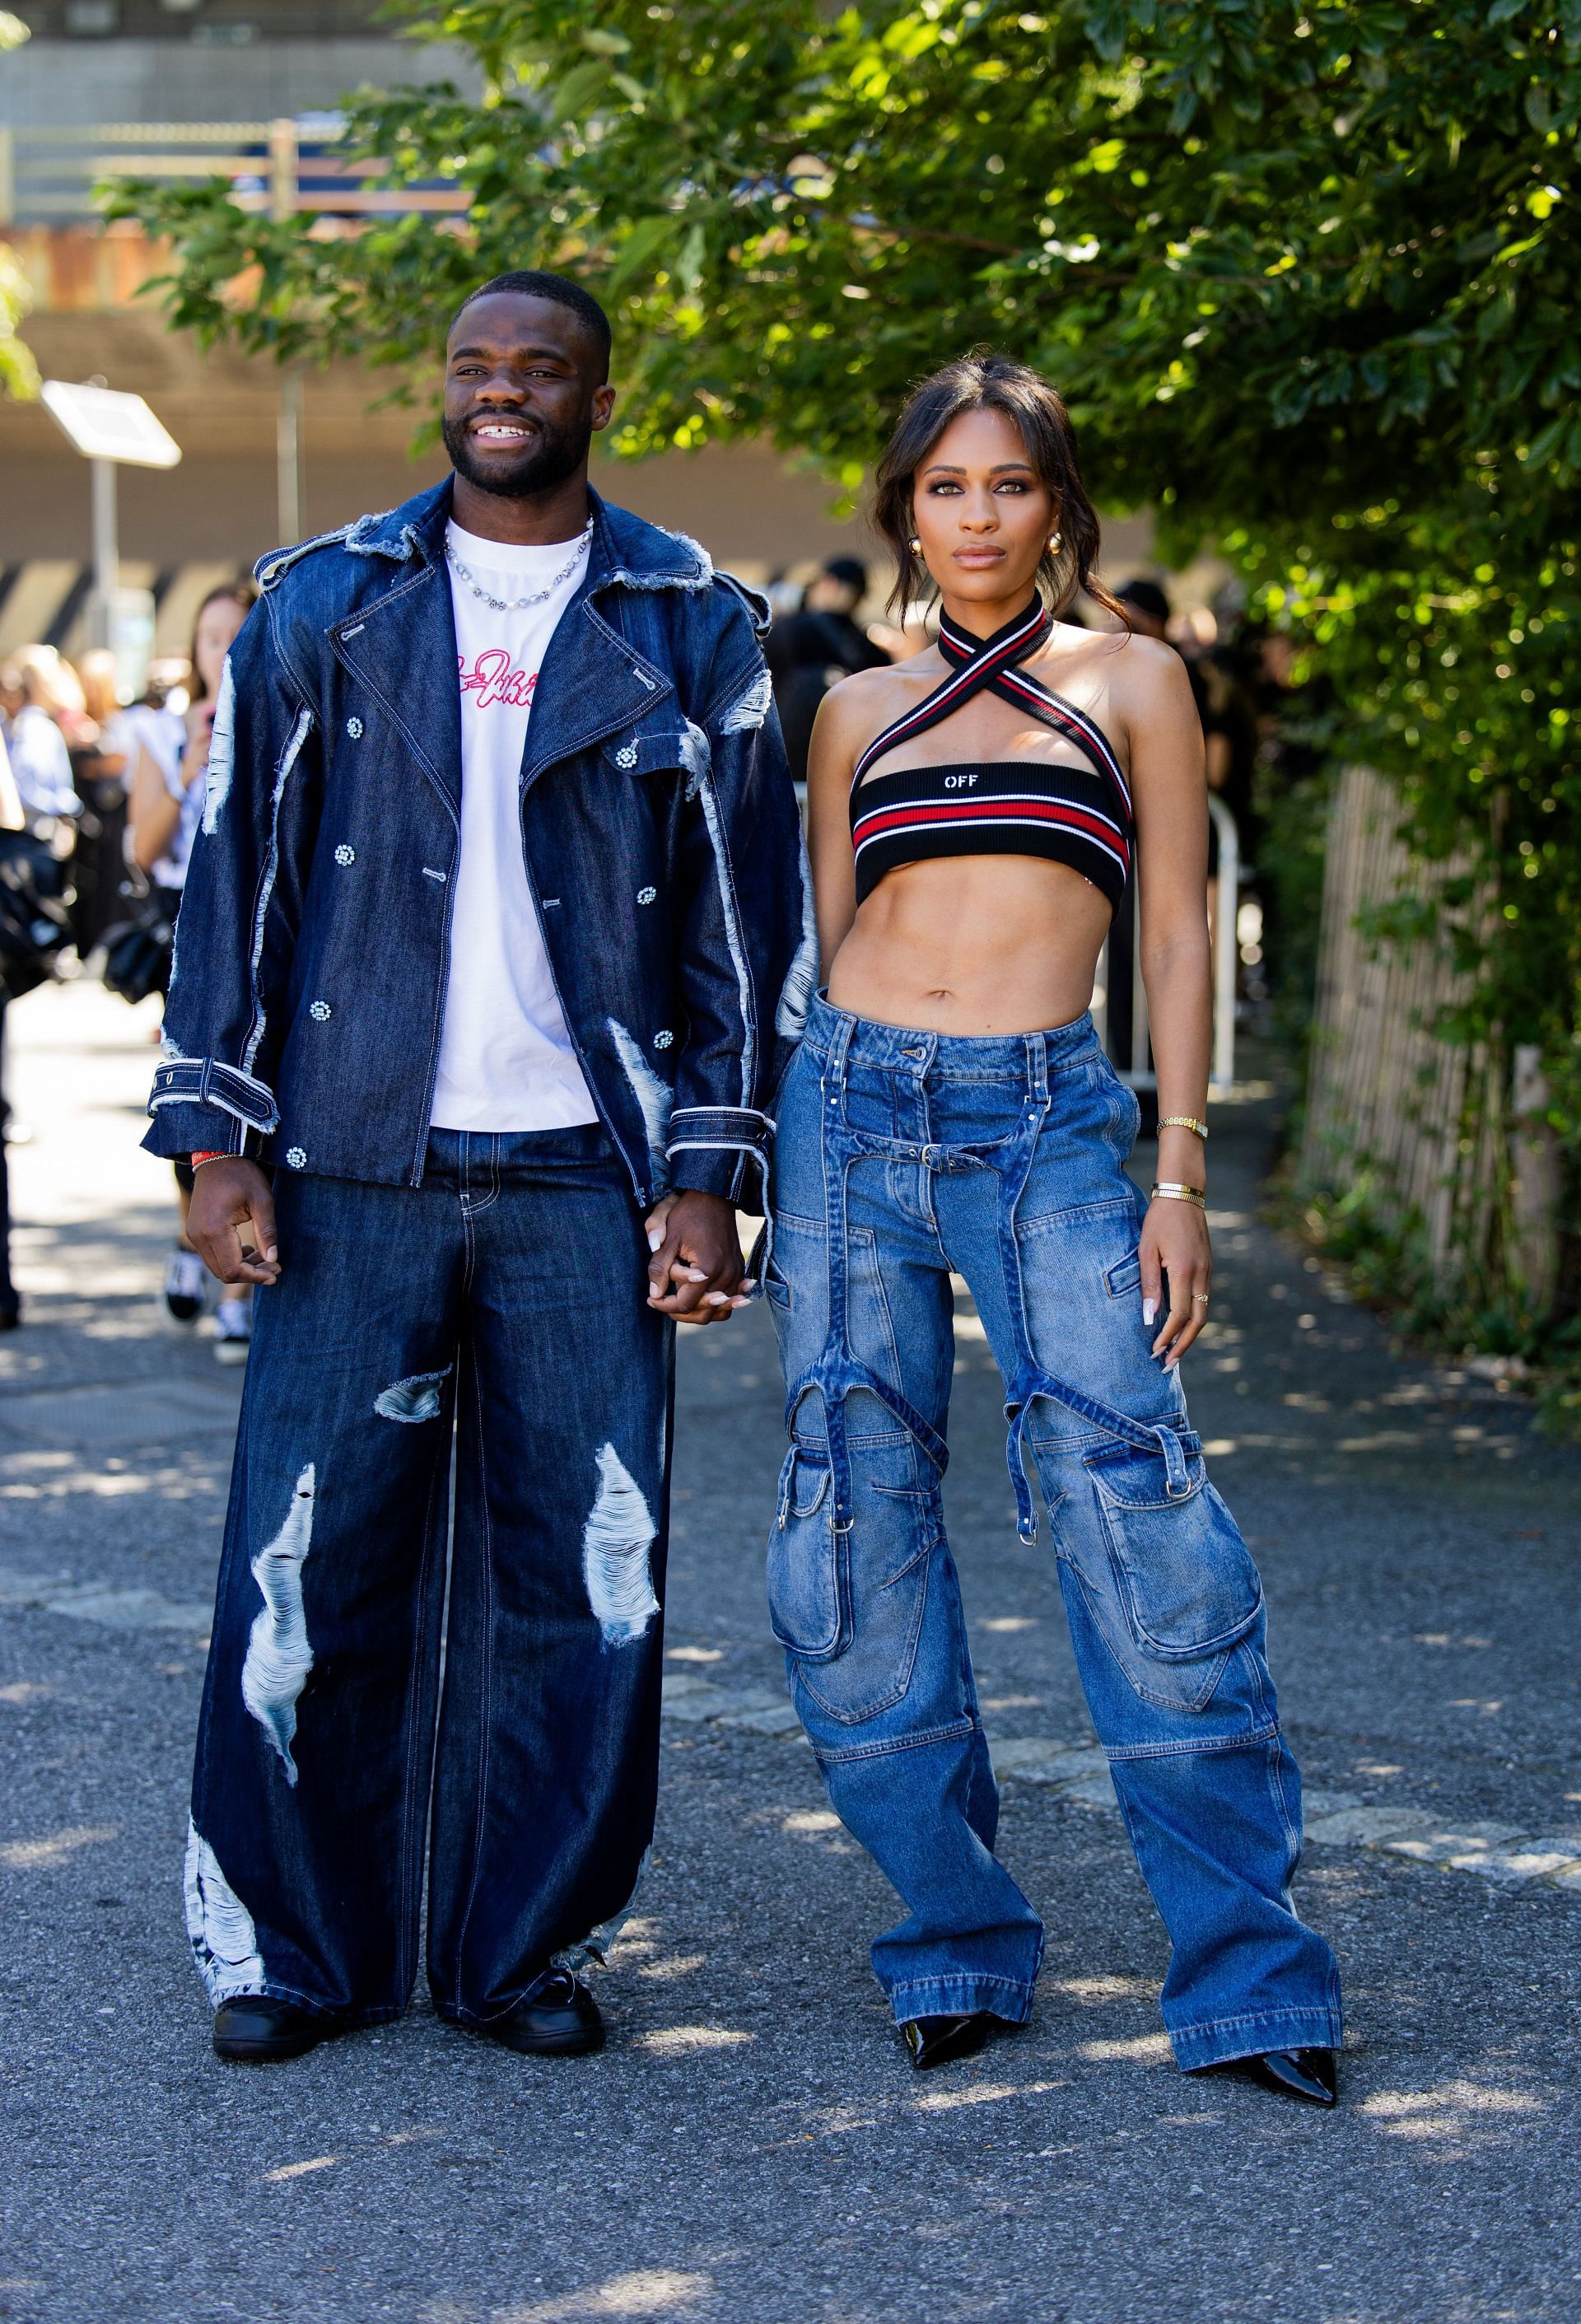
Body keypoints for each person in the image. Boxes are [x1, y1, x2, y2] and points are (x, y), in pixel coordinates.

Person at [144, 269, 804, 2065]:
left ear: (601, 395)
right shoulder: (321, 600)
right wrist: (214, 1134)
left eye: (542, 367)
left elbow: (746, 919)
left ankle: (525, 1947)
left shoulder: (688, 615)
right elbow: (233, 881)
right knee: (309, 1552)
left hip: (588, 1168)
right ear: (445, 388)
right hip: (350, 1145)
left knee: (585, 1569)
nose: (500, 389)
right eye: (474, 364)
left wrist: (708, 1168)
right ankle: (297, 1947)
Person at [769, 357, 1342, 2106]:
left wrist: (1178, 1170)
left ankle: (1250, 1978)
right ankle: (953, 1938)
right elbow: (828, 932)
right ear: (904, 511)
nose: (976, 517)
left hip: (1052, 1128)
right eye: (945, 488)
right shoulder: (857, 710)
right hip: (850, 1115)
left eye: (1007, 483)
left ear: (1056, 501)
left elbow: (1176, 938)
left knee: (1137, 1517)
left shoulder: (1134, 681)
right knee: (849, 1536)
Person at [125, 586, 255, 1349]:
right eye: (209, 637)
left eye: (235, 635)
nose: (221, 650)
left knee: (250, 1110)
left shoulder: (284, 722)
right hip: (185, 923)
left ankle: (235, 1285)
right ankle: (192, 1238)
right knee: (189, 1106)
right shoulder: (163, 732)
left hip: (260, 924)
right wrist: (194, 765)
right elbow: (142, 849)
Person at [766, 556, 889, 784]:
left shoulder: (790, 629)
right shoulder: (867, 646)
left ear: (828, 583)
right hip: (853, 764)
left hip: (783, 760)